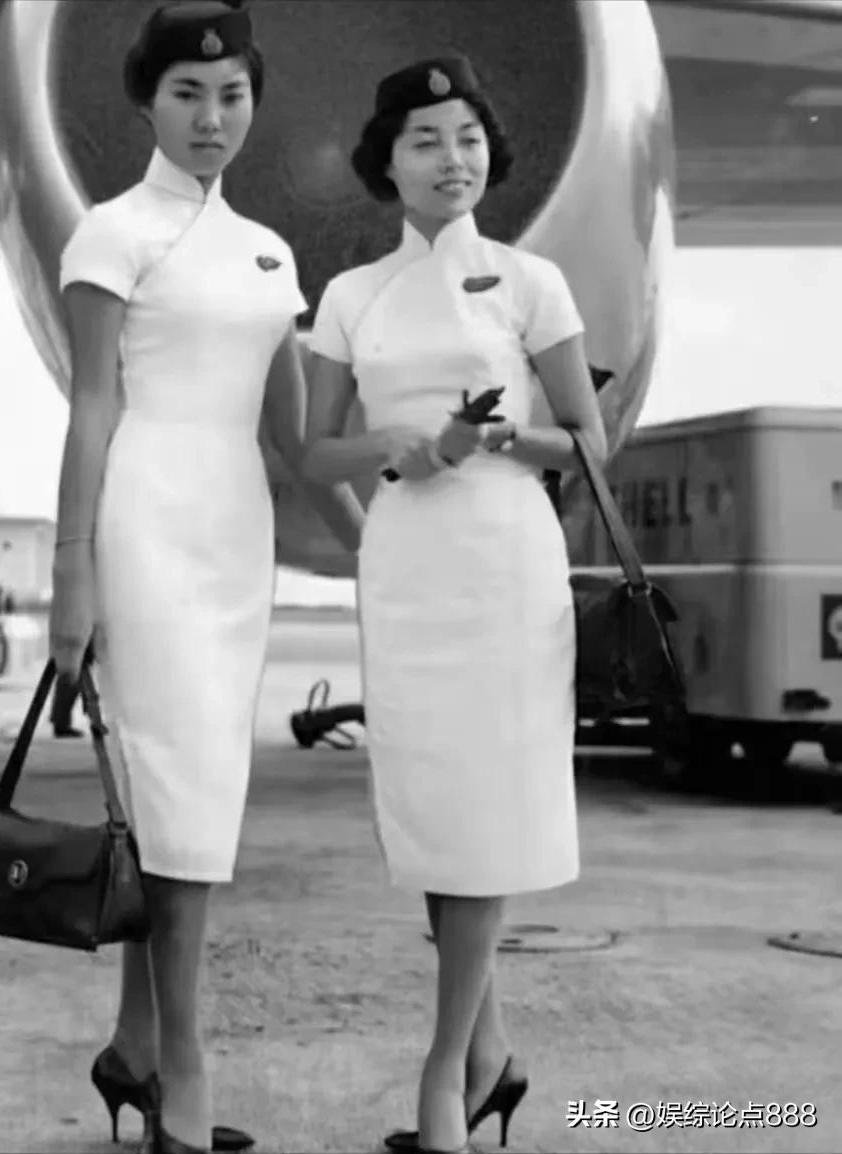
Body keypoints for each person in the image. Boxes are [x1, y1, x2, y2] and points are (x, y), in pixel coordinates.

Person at [48, 3, 362, 1152]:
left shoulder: (270, 253)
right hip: (144, 526)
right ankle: (184, 1070)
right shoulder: (110, 234)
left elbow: (295, 440)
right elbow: (92, 408)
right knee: (178, 809)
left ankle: (132, 1046)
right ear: (148, 100)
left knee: (187, 803)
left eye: (231, 96)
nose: (211, 116)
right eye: (188, 93)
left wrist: (376, 543)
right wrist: (70, 575)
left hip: (235, 541)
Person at [301, 56, 607, 1153]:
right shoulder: (351, 295)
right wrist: (394, 456)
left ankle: (444, 1076)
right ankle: (493, 1057)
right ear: (386, 163)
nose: (452, 159)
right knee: (434, 814)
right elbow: (313, 450)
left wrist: (500, 437)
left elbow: (591, 444)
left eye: (468, 137)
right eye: (426, 141)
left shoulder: (533, 282)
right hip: (408, 566)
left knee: (484, 809)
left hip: (504, 565)